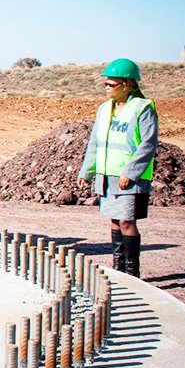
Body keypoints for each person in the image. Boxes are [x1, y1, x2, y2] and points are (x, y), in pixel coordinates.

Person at [77, 58, 158, 278]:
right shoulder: (104, 109)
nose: (106, 88)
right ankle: (118, 267)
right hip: (106, 175)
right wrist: (87, 171)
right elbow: (95, 142)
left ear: (128, 85)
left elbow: (148, 144)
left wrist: (130, 173)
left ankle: (132, 272)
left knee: (126, 221)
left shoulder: (142, 108)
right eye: (105, 84)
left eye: (111, 84)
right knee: (114, 220)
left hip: (128, 177)